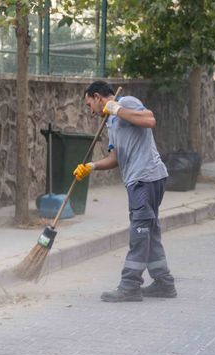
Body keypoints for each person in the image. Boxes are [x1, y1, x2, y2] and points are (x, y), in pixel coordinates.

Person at [74, 81, 177, 302]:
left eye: (89, 104)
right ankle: (164, 283)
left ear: (98, 97)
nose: (90, 110)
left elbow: (150, 120)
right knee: (150, 230)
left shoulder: (126, 103)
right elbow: (116, 158)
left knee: (139, 232)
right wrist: (92, 167)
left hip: (145, 178)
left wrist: (118, 109)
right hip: (144, 179)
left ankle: (130, 285)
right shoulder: (111, 122)